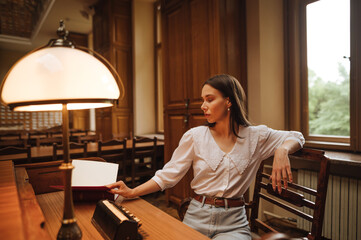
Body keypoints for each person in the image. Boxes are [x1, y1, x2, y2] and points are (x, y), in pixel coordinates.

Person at [106, 74, 305, 239]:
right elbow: (167, 175)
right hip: (195, 216)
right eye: (203, 100)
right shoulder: (195, 136)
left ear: (229, 101)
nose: (202, 105)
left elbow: (297, 137)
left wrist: (281, 150)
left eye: (209, 99)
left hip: (234, 224)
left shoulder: (256, 136)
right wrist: (132, 192)